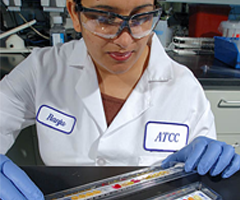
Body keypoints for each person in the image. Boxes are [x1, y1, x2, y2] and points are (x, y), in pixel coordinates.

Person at [0, 0, 240, 199]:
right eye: (105, 19)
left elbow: (204, 179)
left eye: (141, 17)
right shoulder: (42, 70)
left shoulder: (185, 89)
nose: (125, 40)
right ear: (75, 13)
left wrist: (212, 168)